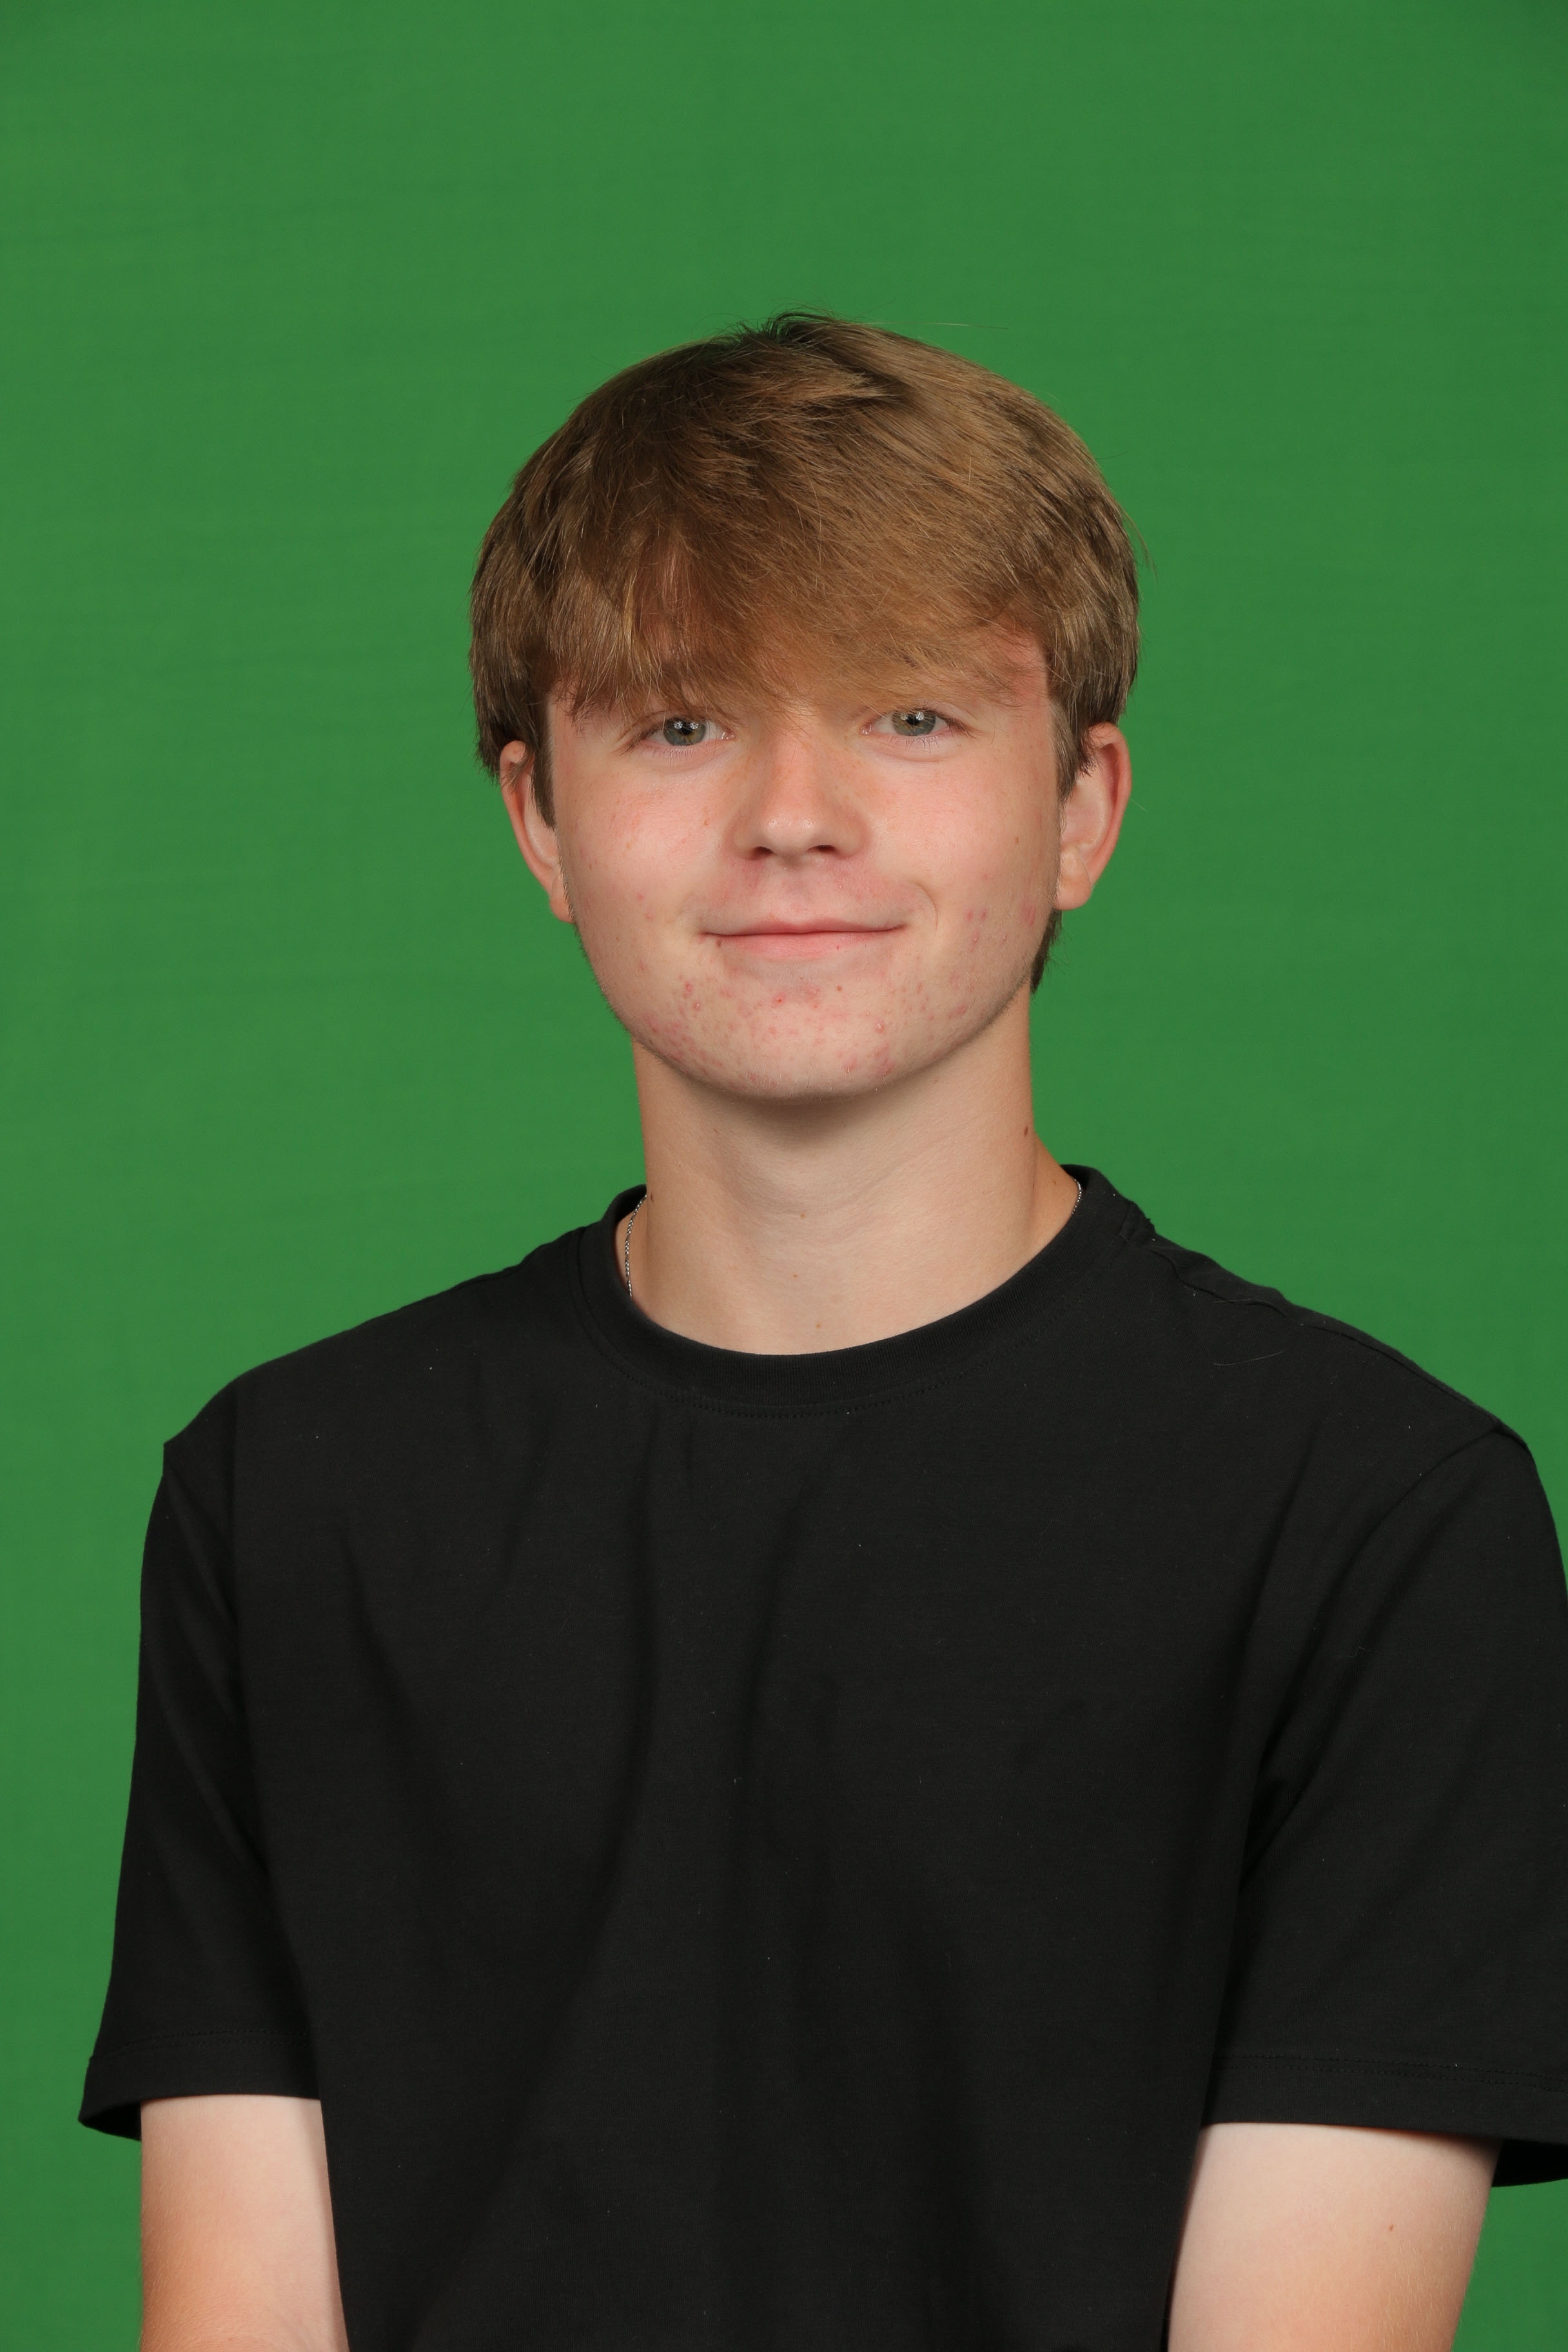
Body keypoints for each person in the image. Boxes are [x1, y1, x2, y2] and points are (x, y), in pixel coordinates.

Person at [83, 316, 1568, 2352]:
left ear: (1083, 810)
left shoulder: (1383, 1525)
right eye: (683, 723)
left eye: (913, 717)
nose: (795, 814)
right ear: (538, 817)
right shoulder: (288, 1501)